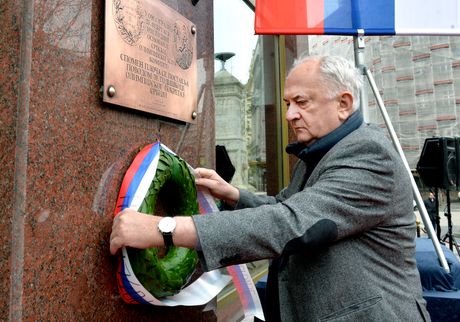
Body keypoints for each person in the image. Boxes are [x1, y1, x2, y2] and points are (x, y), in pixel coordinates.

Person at [110, 55, 430, 321]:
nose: (290, 114)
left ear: (343, 103)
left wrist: (165, 229)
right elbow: (286, 207)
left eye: (301, 102)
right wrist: (235, 195)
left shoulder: (368, 155)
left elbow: (293, 223)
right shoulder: (321, 150)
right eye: (288, 102)